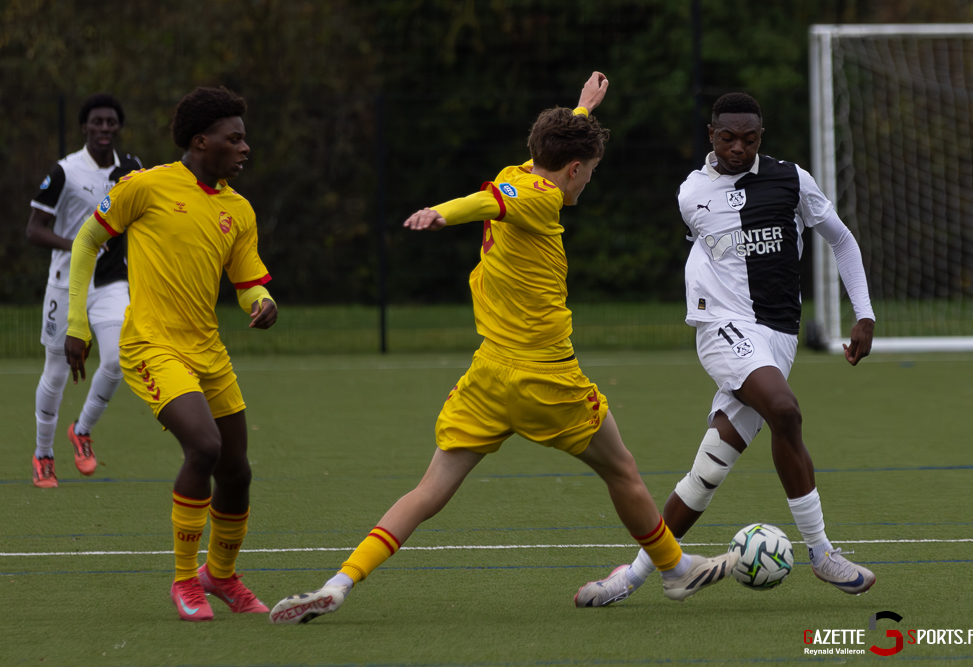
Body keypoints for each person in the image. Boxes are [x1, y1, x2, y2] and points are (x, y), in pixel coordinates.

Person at [268, 73, 732, 626]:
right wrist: (443, 213)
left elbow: (527, 170)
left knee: (428, 491)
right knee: (623, 471)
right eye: (589, 172)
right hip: (547, 379)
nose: (587, 182)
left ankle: (339, 583)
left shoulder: (521, 171)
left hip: (487, 378)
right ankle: (675, 570)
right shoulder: (539, 197)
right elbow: (486, 202)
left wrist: (582, 110)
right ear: (574, 169)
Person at [574, 92, 877, 607]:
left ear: (761, 136)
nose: (738, 148)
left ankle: (633, 577)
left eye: (749, 139)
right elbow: (705, 253)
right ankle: (822, 553)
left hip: (779, 337)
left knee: (709, 469)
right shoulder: (692, 193)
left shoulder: (792, 180)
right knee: (785, 410)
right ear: (712, 134)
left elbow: (841, 240)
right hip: (724, 328)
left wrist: (864, 313)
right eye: (728, 138)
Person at [64, 86, 278, 622]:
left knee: (237, 472)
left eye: (244, 139)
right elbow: (86, 241)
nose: (245, 148)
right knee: (203, 447)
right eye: (234, 139)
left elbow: (247, 282)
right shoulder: (145, 186)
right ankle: (185, 581)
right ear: (202, 141)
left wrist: (262, 301)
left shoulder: (238, 209)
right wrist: (77, 324)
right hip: (151, 345)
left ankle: (221, 576)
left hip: (208, 350)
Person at [26, 93, 142, 488]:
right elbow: (34, 229)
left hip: (111, 282)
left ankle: (82, 429)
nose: (104, 128)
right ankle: (43, 454)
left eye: (111, 121)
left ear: (118, 127)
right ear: (84, 127)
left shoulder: (132, 169)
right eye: (97, 121)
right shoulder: (65, 171)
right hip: (65, 282)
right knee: (56, 372)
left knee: (117, 360)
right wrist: (78, 245)